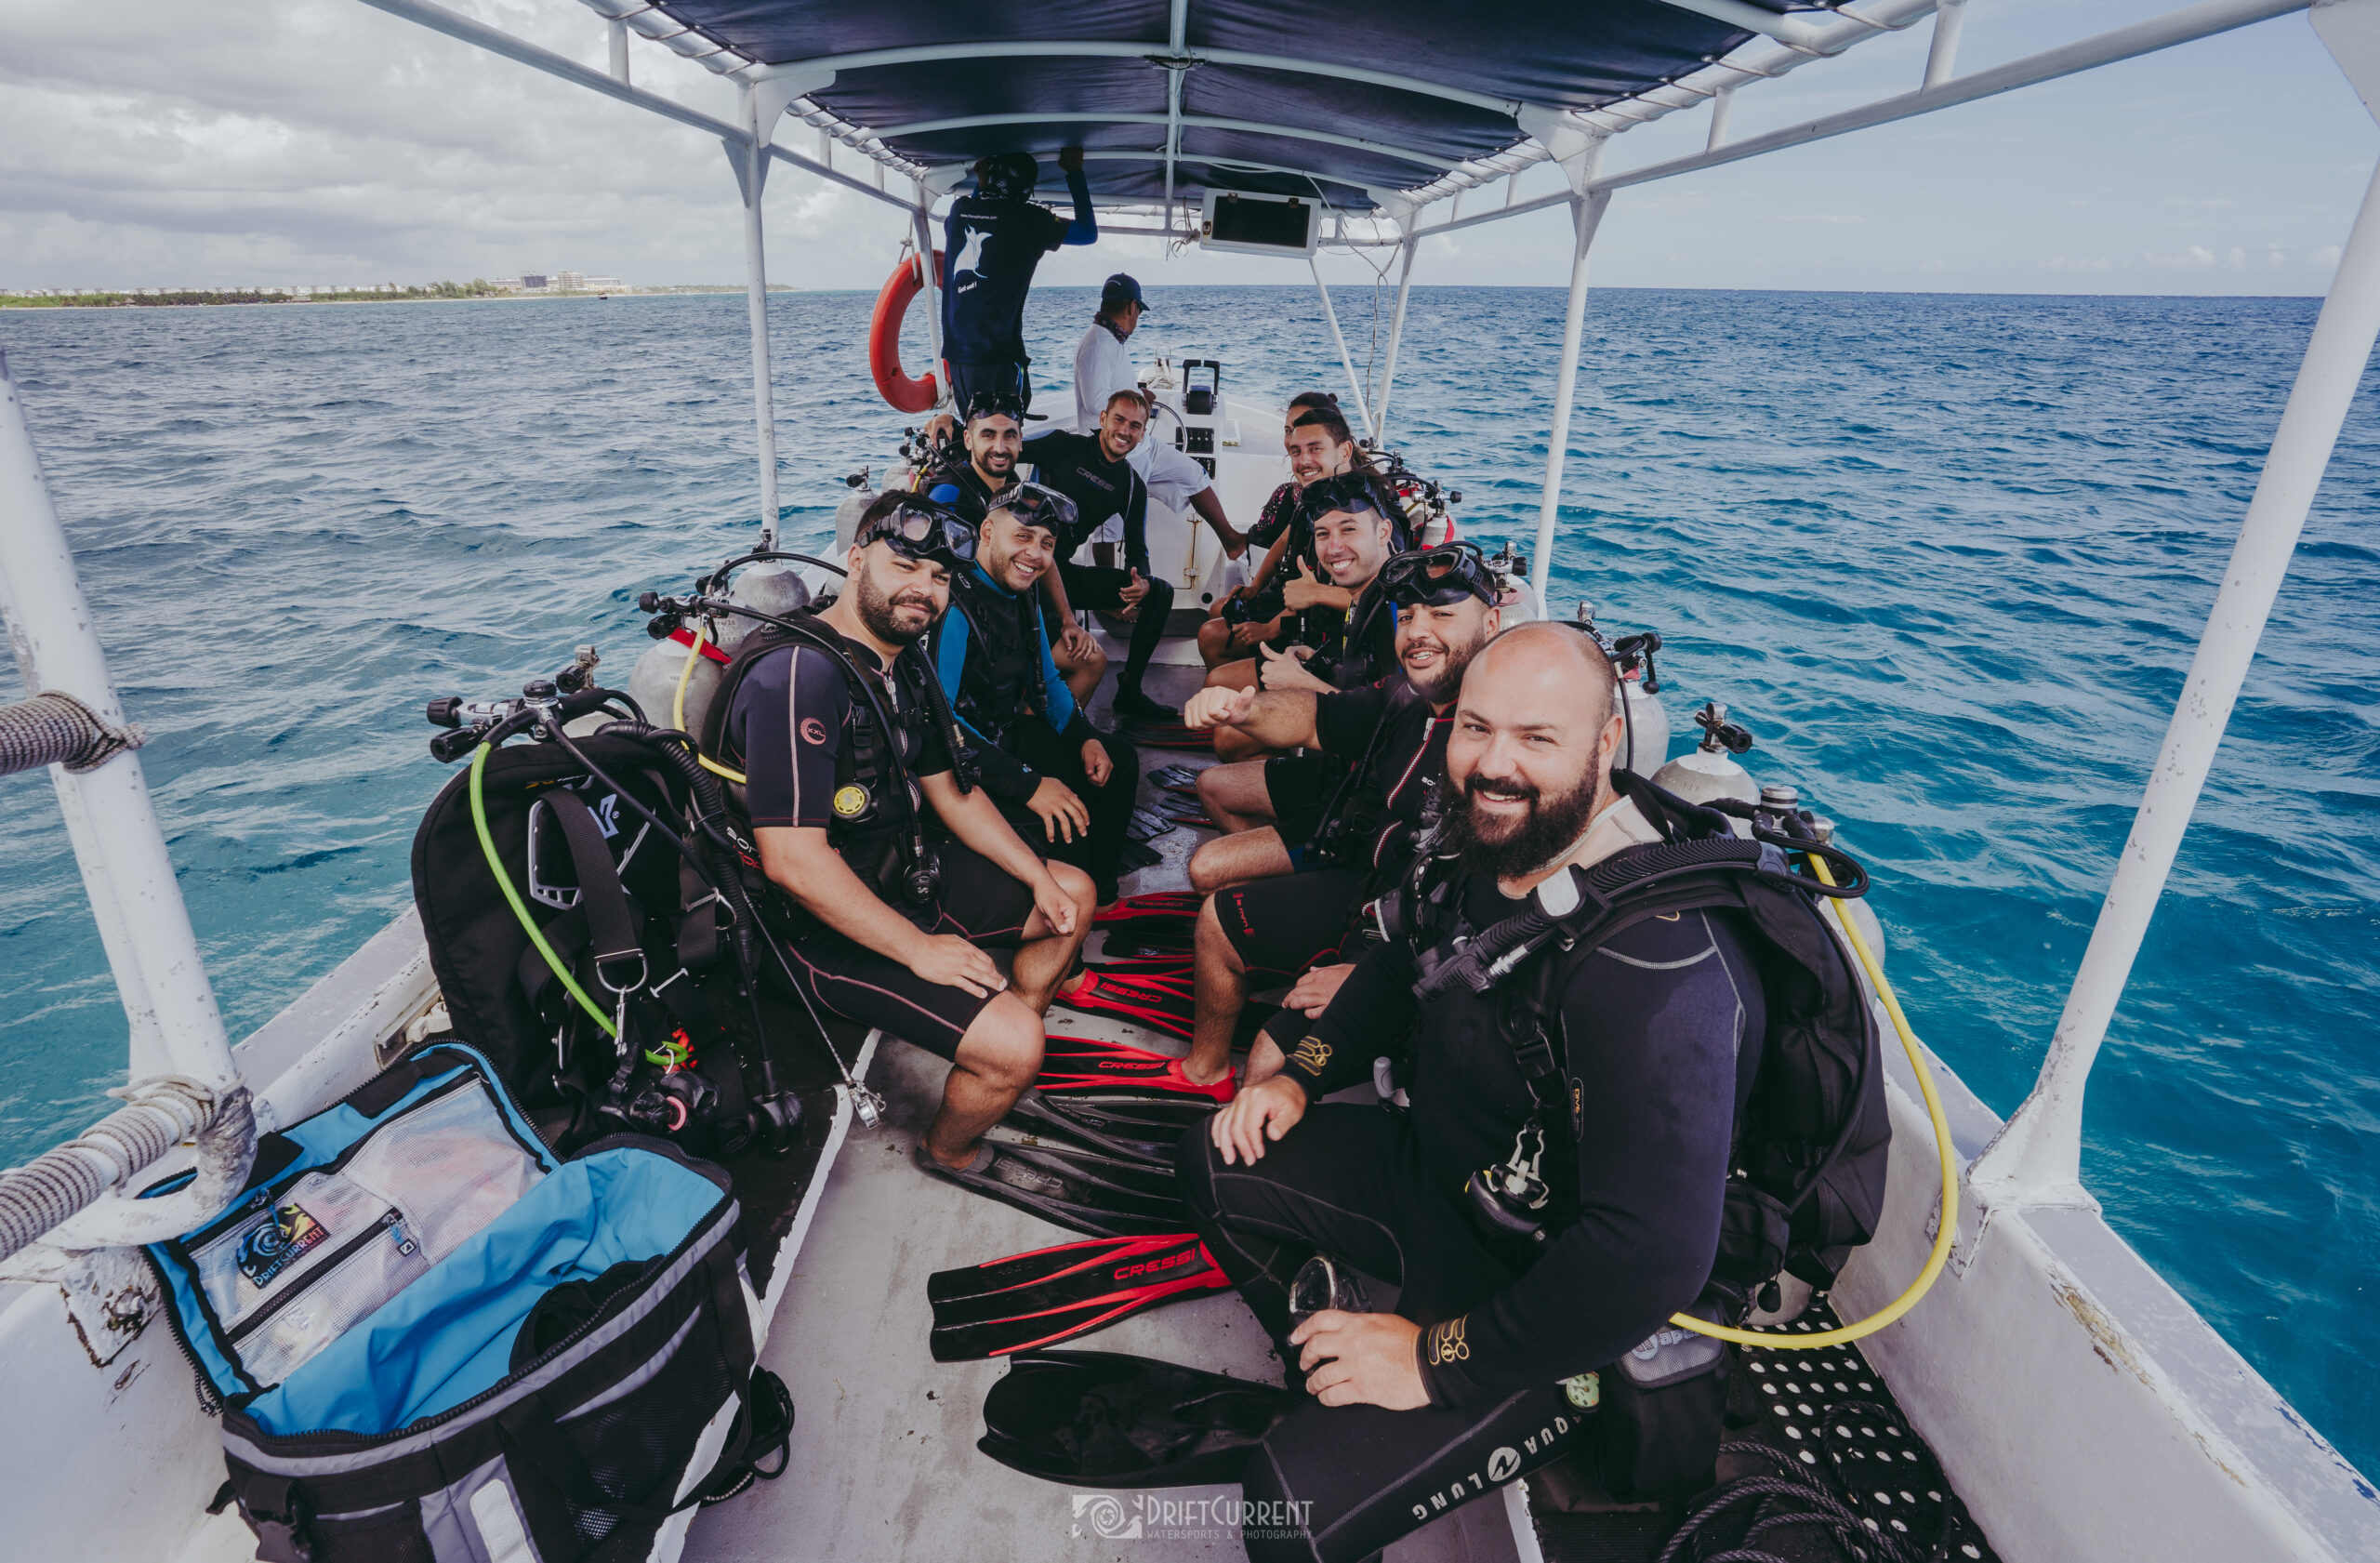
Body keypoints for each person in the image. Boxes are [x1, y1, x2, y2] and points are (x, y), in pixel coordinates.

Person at [1175, 621, 1766, 1561]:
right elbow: (1395, 964)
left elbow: (1647, 1259)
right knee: (1215, 1151)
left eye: (1537, 739)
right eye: (1476, 728)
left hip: (1550, 1299)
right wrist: (1299, 1076)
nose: (1494, 764)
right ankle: (1327, 1348)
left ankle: (1428, 1387)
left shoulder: (1660, 963)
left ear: (1605, 744)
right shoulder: (1480, 840)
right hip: (1442, 1184)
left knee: (1283, 1511)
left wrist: (1426, 1359)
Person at [714, 491, 1096, 1176]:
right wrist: (922, 951)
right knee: (1017, 1045)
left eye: (941, 577)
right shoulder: (797, 678)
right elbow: (793, 861)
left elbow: (952, 792)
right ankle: (951, 1148)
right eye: (906, 567)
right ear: (856, 559)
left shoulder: (901, 658)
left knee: (1072, 894)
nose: (925, 589)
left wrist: (1039, 875)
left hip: (898, 872)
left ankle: (995, 1026)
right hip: (813, 928)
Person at [1171, 542, 1503, 1088]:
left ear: (1491, 622)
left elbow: (1497, 905)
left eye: (1442, 613)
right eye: (1409, 615)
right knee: (1217, 920)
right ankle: (1202, 1073)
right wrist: (1247, 710)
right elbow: (1315, 718)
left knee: (1268, 1064)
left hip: (1416, 946)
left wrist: (1379, 977)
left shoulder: (1501, 742)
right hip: (1365, 883)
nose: (1419, 630)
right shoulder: (1407, 695)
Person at [929, 486, 1143, 903]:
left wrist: (1087, 739)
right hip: (959, 763)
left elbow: (1049, 683)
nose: (1035, 555)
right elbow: (940, 721)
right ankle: (1070, 913)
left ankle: (1100, 893)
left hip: (1007, 738)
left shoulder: (1021, 593)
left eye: (1047, 544)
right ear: (987, 532)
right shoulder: (954, 605)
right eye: (1022, 536)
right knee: (1060, 815)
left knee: (1120, 761)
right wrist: (1029, 785)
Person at [925, 396, 1107, 704]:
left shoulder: (1007, 482)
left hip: (1015, 611)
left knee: (1090, 656)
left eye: (1009, 435)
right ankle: (1035, 734)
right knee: (1092, 661)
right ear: (967, 439)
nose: (1000, 447)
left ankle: (1039, 733)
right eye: (988, 435)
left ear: (1021, 441)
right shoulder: (950, 494)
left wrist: (1066, 619)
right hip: (975, 632)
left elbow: (1037, 557)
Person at [1198, 400, 1402, 671]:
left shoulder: (1375, 509)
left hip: (1344, 644)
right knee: (1219, 616)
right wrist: (1257, 586)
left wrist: (1295, 610)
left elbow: (1393, 602)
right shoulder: (1319, 495)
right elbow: (1286, 538)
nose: (1303, 459)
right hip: (1312, 622)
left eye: (1315, 447)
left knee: (1214, 643)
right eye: (1296, 448)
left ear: (1343, 450)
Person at [1020, 390, 1182, 722]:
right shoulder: (1064, 446)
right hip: (1025, 565)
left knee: (1161, 592)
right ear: (1103, 419)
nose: (1125, 431)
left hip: (1062, 575)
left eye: (1135, 426)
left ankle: (1130, 692)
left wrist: (1143, 582)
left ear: (1142, 434)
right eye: (1119, 420)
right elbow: (1005, 449)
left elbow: (1137, 549)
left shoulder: (1132, 486)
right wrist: (954, 423)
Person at [1072, 272, 1246, 558]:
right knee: (1110, 526)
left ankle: (1231, 541)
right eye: (1138, 312)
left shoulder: (1110, 341)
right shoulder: (1098, 344)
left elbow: (1111, 393)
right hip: (1111, 454)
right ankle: (1107, 602)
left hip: (1140, 448)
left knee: (1194, 475)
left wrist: (1137, 394)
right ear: (1131, 308)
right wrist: (1139, 398)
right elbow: (1095, 404)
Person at [941, 147, 1095, 416]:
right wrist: (1074, 172)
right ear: (1025, 188)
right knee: (1003, 438)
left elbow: (984, 210)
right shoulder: (1030, 220)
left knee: (977, 435)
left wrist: (982, 183)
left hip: (957, 357)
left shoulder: (959, 210)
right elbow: (1087, 233)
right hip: (998, 358)